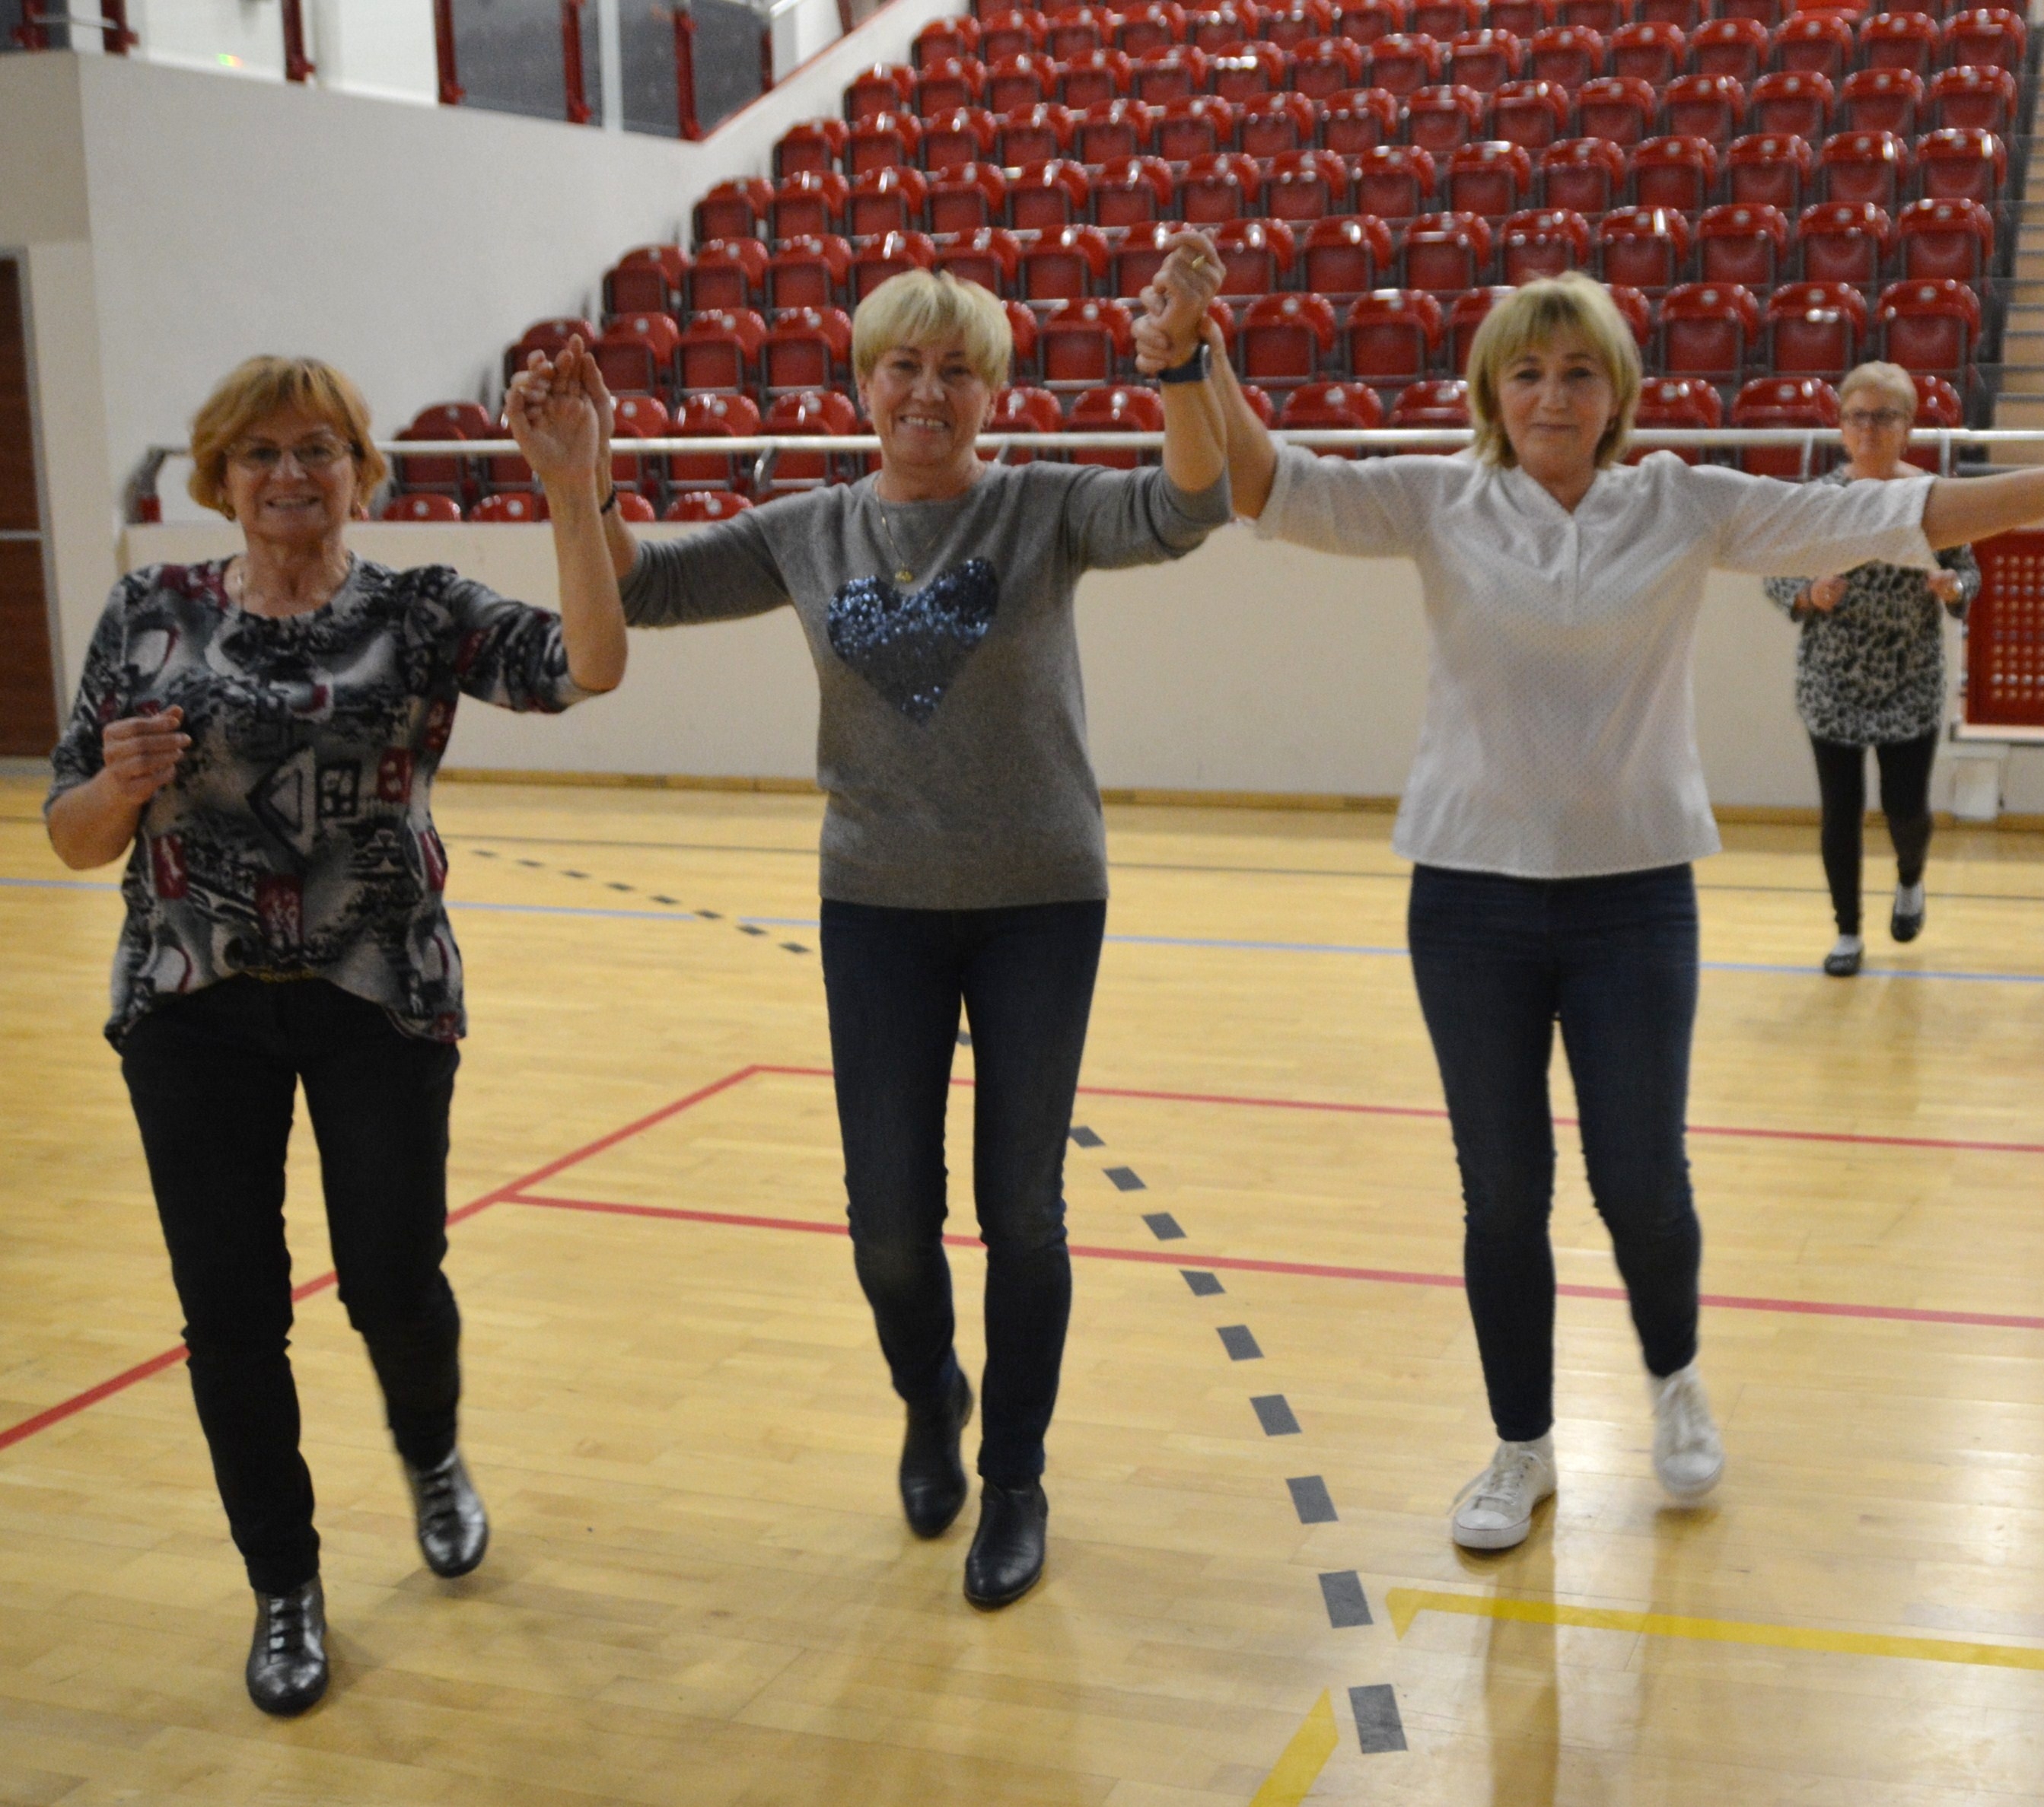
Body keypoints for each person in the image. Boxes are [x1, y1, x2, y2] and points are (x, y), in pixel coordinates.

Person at [1170, 272, 2044, 1553]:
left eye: (1579, 372)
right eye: (1527, 373)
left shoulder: (1679, 502)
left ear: (1618, 393)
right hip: (1466, 899)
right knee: (1500, 1191)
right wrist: (1199, 359)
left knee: (1640, 1180)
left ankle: (1675, 1373)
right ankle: (1520, 1445)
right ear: (1491, 392)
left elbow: (1893, 510)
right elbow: (1265, 483)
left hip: (1633, 900)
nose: (1552, 396)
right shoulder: (1437, 498)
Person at [602, 242, 1229, 1611]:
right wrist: (576, 483)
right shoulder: (807, 530)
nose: (928, 392)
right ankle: (930, 1392)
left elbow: (1190, 504)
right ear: (863, 382)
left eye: (957, 370)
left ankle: (1016, 1477)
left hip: (1039, 901)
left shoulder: (1043, 508)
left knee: (1024, 1211)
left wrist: (1184, 366)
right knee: (888, 1221)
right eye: (905, 366)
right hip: (877, 903)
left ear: (993, 391)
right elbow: (644, 587)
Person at [43, 349, 627, 1716]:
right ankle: (285, 1585)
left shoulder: (419, 612)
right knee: (230, 1313)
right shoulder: (147, 611)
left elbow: (587, 665)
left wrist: (572, 485)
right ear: (220, 477)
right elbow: (71, 833)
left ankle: (431, 1450)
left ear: (362, 472)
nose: (290, 474)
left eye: (318, 449)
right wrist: (117, 790)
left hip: (380, 996)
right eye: (261, 452)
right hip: (193, 1004)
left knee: (391, 1280)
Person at [1759, 363, 1982, 977]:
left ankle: (1910, 878)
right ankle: (1847, 931)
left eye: (1884, 417)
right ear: (1840, 427)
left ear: (1907, 427)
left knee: (1905, 808)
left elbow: (1969, 572)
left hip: (1910, 674)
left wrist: (1953, 586)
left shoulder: (1933, 496)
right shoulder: (1817, 500)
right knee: (1841, 810)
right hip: (1832, 677)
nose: (1869, 429)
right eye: (1857, 416)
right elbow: (1775, 573)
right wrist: (1808, 593)